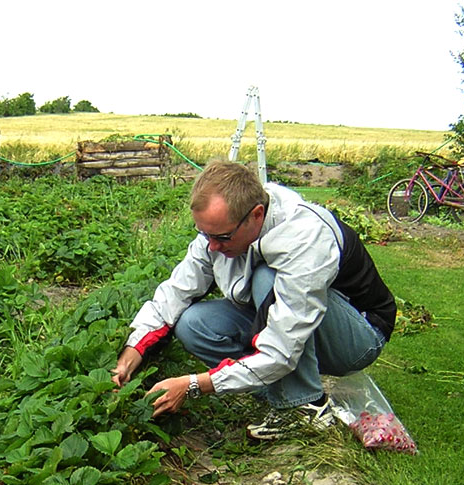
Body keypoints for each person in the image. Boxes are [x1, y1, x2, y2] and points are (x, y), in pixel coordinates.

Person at [112, 160, 396, 439]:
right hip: (293, 325)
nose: (212, 246)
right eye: (205, 234)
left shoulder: (305, 237)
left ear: (256, 215)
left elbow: (282, 350)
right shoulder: (222, 229)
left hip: (358, 336)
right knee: (193, 324)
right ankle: (276, 390)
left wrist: (194, 385)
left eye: (222, 237)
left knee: (266, 278)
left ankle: (306, 408)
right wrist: (131, 353)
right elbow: (176, 292)